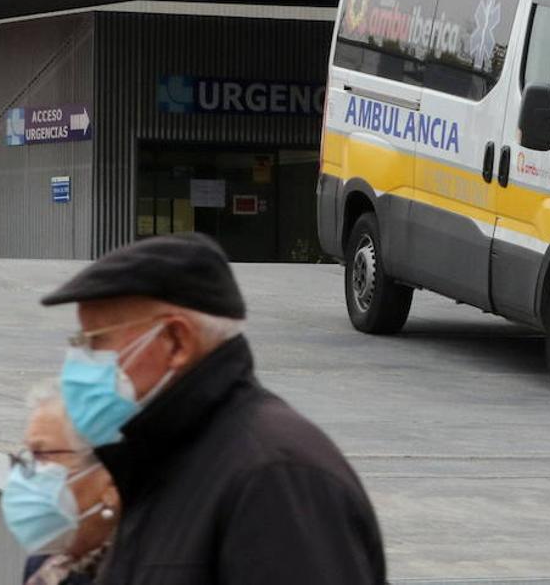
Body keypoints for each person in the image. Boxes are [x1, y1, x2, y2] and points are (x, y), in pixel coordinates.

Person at [41, 232, 386, 585]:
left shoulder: (275, 479)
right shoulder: (156, 464)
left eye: (96, 342)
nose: (78, 365)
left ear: (177, 342)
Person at [2, 380, 121, 585]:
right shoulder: (48, 563)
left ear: (111, 483)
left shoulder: (155, 568)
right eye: (28, 457)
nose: (28, 473)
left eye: (43, 455)